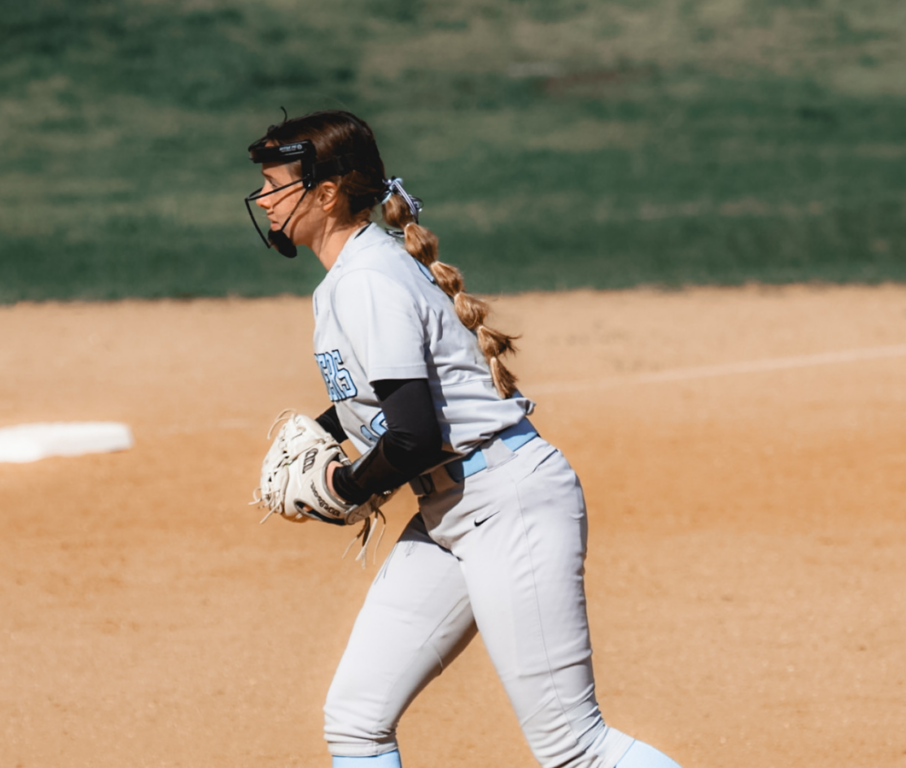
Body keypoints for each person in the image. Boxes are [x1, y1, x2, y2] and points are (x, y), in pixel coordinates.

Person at [245, 110, 683, 768]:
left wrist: (346, 485)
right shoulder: (355, 276)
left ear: (326, 192)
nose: (263, 199)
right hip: (455, 510)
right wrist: (330, 430)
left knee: (574, 747)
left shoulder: (367, 280)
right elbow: (380, 401)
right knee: (357, 719)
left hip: (507, 503)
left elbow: (415, 433)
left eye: (274, 184)